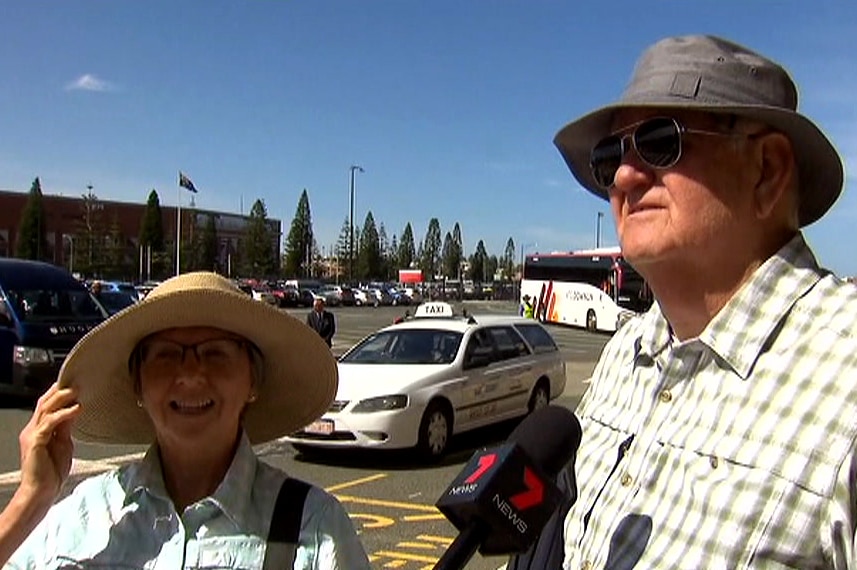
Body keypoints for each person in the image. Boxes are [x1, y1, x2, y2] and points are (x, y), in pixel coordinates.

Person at [515, 35, 856, 569]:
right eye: (610, 157)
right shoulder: (624, 352)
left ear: (765, 168)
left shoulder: (846, 374)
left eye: (659, 142)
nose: (625, 177)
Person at [0, 271, 370, 569]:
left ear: (252, 381)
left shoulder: (315, 529)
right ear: (138, 385)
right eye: (166, 355)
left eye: (216, 353)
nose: (191, 374)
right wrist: (30, 500)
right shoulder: (79, 519)